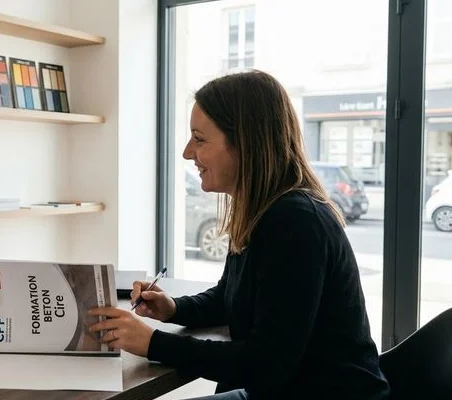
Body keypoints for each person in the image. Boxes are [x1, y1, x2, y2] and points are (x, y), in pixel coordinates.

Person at [88, 70, 390, 399]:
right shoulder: (263, 212)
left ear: (244, 143)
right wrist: (174, 308)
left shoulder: (295, 223)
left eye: (199, 139)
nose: (187, 153)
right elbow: (228, 297)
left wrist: (151, 342)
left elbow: (267, 364)